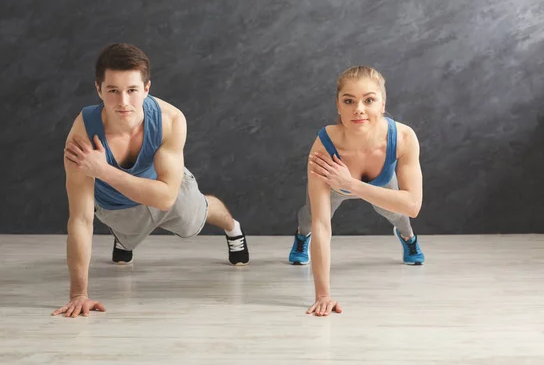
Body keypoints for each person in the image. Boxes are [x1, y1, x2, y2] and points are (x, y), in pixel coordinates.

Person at [53, 43, 249, 318]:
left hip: (164, 187)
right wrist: (79, 295)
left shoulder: (171, 119)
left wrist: (104, 171)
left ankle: (232, 227)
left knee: (197, 217)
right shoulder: (82, 137)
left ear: (146, 89)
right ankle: (125, 240)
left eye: (132, 90)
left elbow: (166, 196)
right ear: (98, 89)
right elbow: (81, 219)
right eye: (113, 91)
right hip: (117, 204)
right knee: (128, 237)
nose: (123, 101)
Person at [288, 66, 425, 317]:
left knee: (399, 216)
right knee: (310, 218)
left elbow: (413, 205)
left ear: (382, 104)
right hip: (334, 182)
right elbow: (322, 224)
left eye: (369, 100)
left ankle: (408, 239)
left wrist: (351, 184)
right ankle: (300, 236)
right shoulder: (323, 146)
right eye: (349, 101)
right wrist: (323, 295)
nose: (358, 109)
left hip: (374, 183)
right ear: (338, 106)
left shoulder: (404, 137)